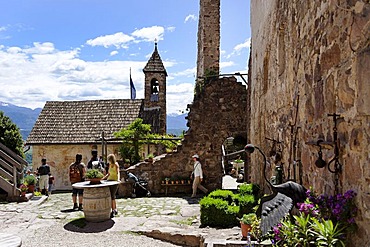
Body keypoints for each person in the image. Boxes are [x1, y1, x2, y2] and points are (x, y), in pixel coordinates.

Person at [103, 153, 120, 218]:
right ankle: (114, 209)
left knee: (112, 196)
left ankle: (113, 210)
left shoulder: (116, 164)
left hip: (114, 181)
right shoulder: (110, 165)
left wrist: (118, 179)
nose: (108, 160)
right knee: (112, 196)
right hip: (109, 181)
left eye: (108, 159)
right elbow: (108, 174)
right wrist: (103, 178)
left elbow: (118, 172)